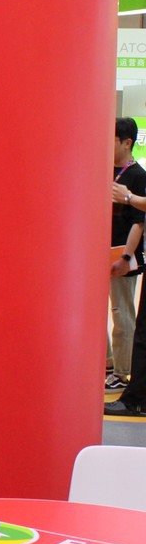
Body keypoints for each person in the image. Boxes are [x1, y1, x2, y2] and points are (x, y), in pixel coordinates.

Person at [109, 118, 146, 391]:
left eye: (112, 140)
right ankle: (108, 362)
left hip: (123, 255)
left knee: (122, 314)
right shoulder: (102, 168)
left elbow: (139, 221)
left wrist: (126, 257)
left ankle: (122, 372)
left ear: (127, 143)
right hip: (99, 252)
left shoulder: (138, 176)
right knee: (100, 312)